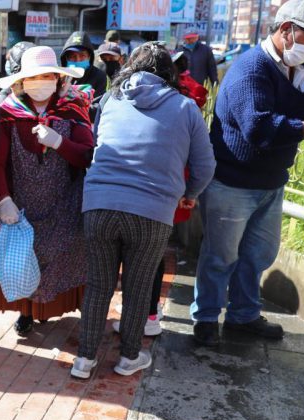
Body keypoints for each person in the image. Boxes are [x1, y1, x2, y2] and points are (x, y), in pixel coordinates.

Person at [191, 0, 304, 347]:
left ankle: (243, 315)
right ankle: (206, 318)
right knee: (220, 256)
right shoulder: (250, 68)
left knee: (258, 255)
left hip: (270, 183)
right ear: (287, 30)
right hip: (232, 182)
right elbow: (259, 128)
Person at [72, 42, 216, 378]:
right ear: (170, 73)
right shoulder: (185, 107)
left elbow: (96, 145)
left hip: (100, 205)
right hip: (152, 211)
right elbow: (205, 165)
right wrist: (189, 193)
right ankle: (129, 358)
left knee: (98, 285)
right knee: (137, 287)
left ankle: (84, 360)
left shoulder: (109, 100)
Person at [0, 46, 92, 336]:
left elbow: (87, 156)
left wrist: (60, 142)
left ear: (58, 79)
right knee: (22, 258)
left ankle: (56, 310)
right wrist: (3, 199)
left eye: (47, 76)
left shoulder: (72, 110)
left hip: (64, 201)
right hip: (20, 202)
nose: (40, 82)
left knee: (62, 256)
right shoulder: (7, 113)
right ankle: (26, 312)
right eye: (34, 76)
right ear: (21, 80)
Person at [60, 31, 107, 101]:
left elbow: (99, 105)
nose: (77, 60)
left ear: (89, 57)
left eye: (82, 56)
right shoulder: (59, 76)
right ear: (66, 58)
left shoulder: (100, 76)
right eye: (72, 56)